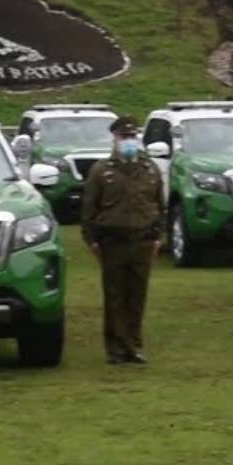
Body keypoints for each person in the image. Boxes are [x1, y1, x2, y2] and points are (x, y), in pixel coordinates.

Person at [81, 115, 165, 365]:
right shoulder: (102, 170)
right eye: (123, 137)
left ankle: (134, 345)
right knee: (115, 296)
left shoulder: (150, 169)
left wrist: (158, 237)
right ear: (114, 138)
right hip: (113, 241)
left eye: (132, 137)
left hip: (143, 240)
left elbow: (159, 205)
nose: (128, 141)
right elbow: (89, 210)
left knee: (137, 295)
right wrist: (92, 240)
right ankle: (116, 348)